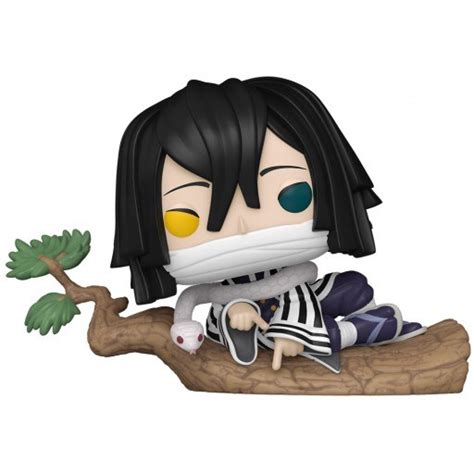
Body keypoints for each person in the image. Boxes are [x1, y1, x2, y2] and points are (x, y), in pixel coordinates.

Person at [111, 77, 425, 372]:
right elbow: (219, 306)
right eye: (185, 217)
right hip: (264, 323)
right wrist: (243, 314)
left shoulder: (291, 269)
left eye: (293, 195)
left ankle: (360, 323)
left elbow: (297, 290)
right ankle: (351, 332)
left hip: (297, 297)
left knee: (353, 286)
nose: (242, 224)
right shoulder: (219, 288)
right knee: (309, 334)